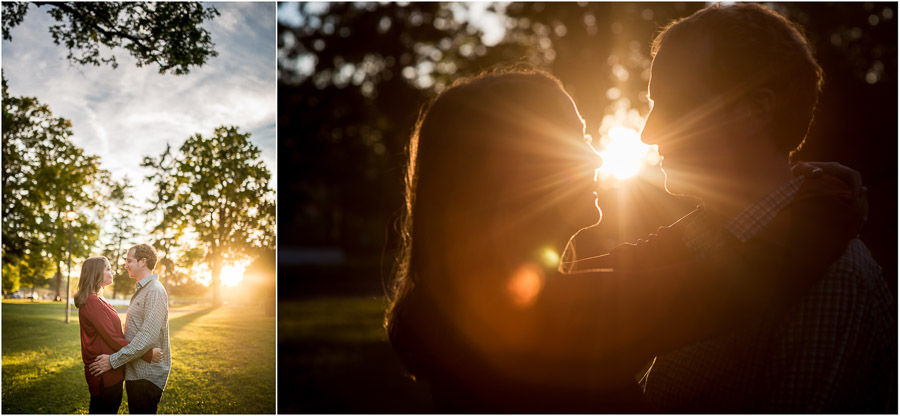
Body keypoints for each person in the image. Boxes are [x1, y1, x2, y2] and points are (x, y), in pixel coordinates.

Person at [384, 67, 864, 412]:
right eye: (571, 140)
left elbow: (647, 260)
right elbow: (739, 280)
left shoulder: (490, 301)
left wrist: (790, 191)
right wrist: (827, 205)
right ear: (508, 176)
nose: (595, 159)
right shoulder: (551, 315)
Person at [575, 3, 893, 412]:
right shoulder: (699, 238)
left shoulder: (834, 281)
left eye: (673, 103)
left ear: (755, 111)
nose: (649, 133)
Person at [89, 244, 171, 414]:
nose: (125, 265)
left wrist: (113, 360)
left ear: (143, 261)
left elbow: (146, 337)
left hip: (146, 375)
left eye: (129, 261)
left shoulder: (154, 291)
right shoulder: (143, 290)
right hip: (136, 372)